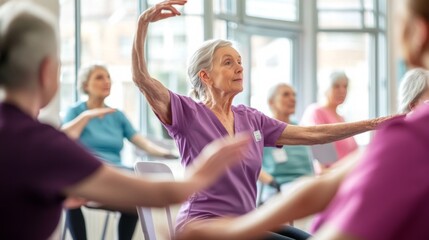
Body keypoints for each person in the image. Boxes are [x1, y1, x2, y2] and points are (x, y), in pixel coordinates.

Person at [132, 1, 387, 239]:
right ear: (206, 76)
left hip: (245, 222)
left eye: (240, 62)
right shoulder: (187, 112)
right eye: (228, 63)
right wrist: (143, 23)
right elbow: (141, 79)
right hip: (205, 224)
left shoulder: (251, 118)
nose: (239, 68)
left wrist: (373, 124)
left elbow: (313, 134)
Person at [0, 2, 251, 239]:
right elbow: (160, 194)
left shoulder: (36, 138)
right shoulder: (44, 143)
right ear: (46, 71)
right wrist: (205, 171)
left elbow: (140, 142)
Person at [62, 64, 178, 240]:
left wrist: (169, 153)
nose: (106, 81)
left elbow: (142, 142)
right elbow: (64, 138)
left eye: (108, 77)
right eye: (99, 77)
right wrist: (86, 117)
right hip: (89, 174)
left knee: (136, 202)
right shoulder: (76, 111)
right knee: (71, 191)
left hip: (115, 174)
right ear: (85, 85)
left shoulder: (117, 115)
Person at [258, 84, 314, 203]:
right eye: (286, 95)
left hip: (307, 184)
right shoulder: (263, 130)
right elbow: (249, 165)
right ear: (271, 102)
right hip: (280, 187)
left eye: (294, 95)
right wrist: (272, 182)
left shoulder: (300, 128)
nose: (293, 99)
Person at [300, 71, 358, 163]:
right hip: (332, 174)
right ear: (325, 88)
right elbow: (321, 157)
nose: (342, 91)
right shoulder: (316, 111)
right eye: (336, 86)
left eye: (345, 86)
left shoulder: (341, 118)